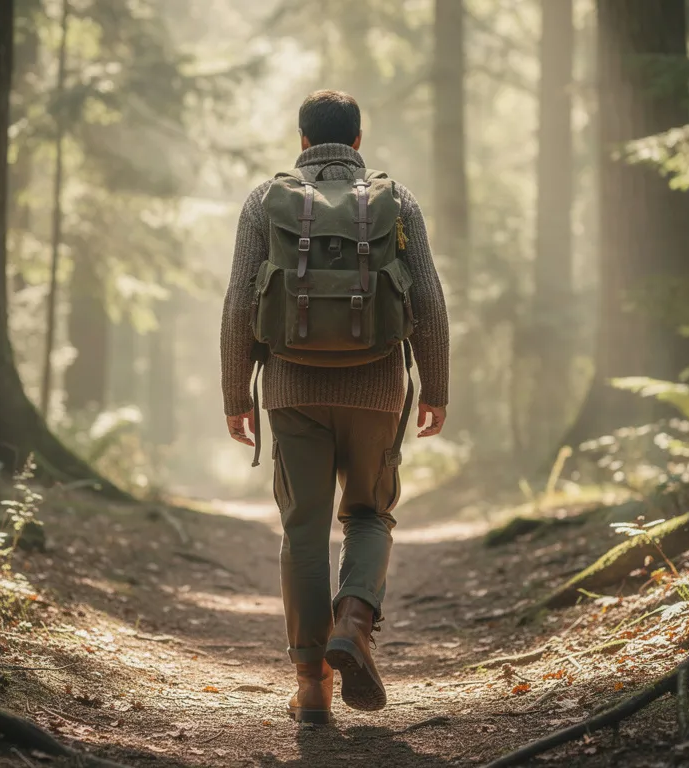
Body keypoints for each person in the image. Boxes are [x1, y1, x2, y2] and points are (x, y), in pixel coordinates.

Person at [219, 89, 451, 724]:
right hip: (377, 387)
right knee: (370, 515)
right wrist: (436, 389)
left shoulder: (265, 203)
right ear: (357, 141)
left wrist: (236, 395)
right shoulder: (395, 202)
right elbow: (427, 301)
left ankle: (313, 683)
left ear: (301, 142)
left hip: (291, 389)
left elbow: (240, 302)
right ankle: (354, 620)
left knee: (302, 529)